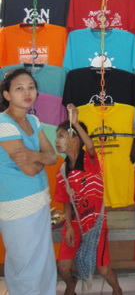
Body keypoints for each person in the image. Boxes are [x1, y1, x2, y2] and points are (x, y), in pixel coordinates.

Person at [0, 68, 57, 295]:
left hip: (39, 201)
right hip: (18, 205)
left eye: (31, 87)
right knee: (25, 266)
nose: (27, 93)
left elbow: (52, 156)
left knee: (42, 263)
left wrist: (35, 156)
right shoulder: (4, 124)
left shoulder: (33, 120)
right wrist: (40, 158)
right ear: (7, 95)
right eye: (19, 88)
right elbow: (30, 170)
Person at [55, 104, 123, 295]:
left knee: (103, 270)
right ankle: (71, 285)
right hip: (75, 224)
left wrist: (75, 123)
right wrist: (69, 226)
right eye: (57, 136)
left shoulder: (89, 161)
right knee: (63, 267)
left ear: (76, 139)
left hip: (96, 223)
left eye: (61, 136)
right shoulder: (62, 172)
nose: (56, 141)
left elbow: (91, 146)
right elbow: (66, 202)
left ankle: (117, 289)